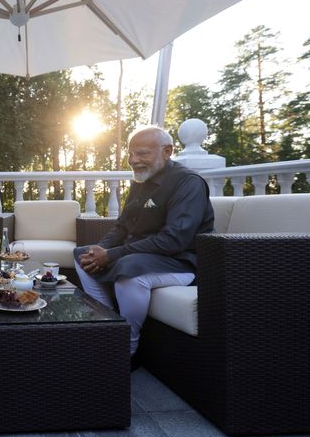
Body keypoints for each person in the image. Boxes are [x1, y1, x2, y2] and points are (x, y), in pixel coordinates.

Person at [73, 126, 214, 370]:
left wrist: (113, 254)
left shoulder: (188, 183)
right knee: (82, 254)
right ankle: (110, 325)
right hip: (141, 255)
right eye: (131, 154)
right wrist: (101, 248)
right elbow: (121, 227)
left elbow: (174, 240)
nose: (134, 160)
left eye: (143, 153)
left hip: (181, 261)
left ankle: (128, 348)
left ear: (167, 151)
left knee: (129, 269)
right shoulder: (141, 180)